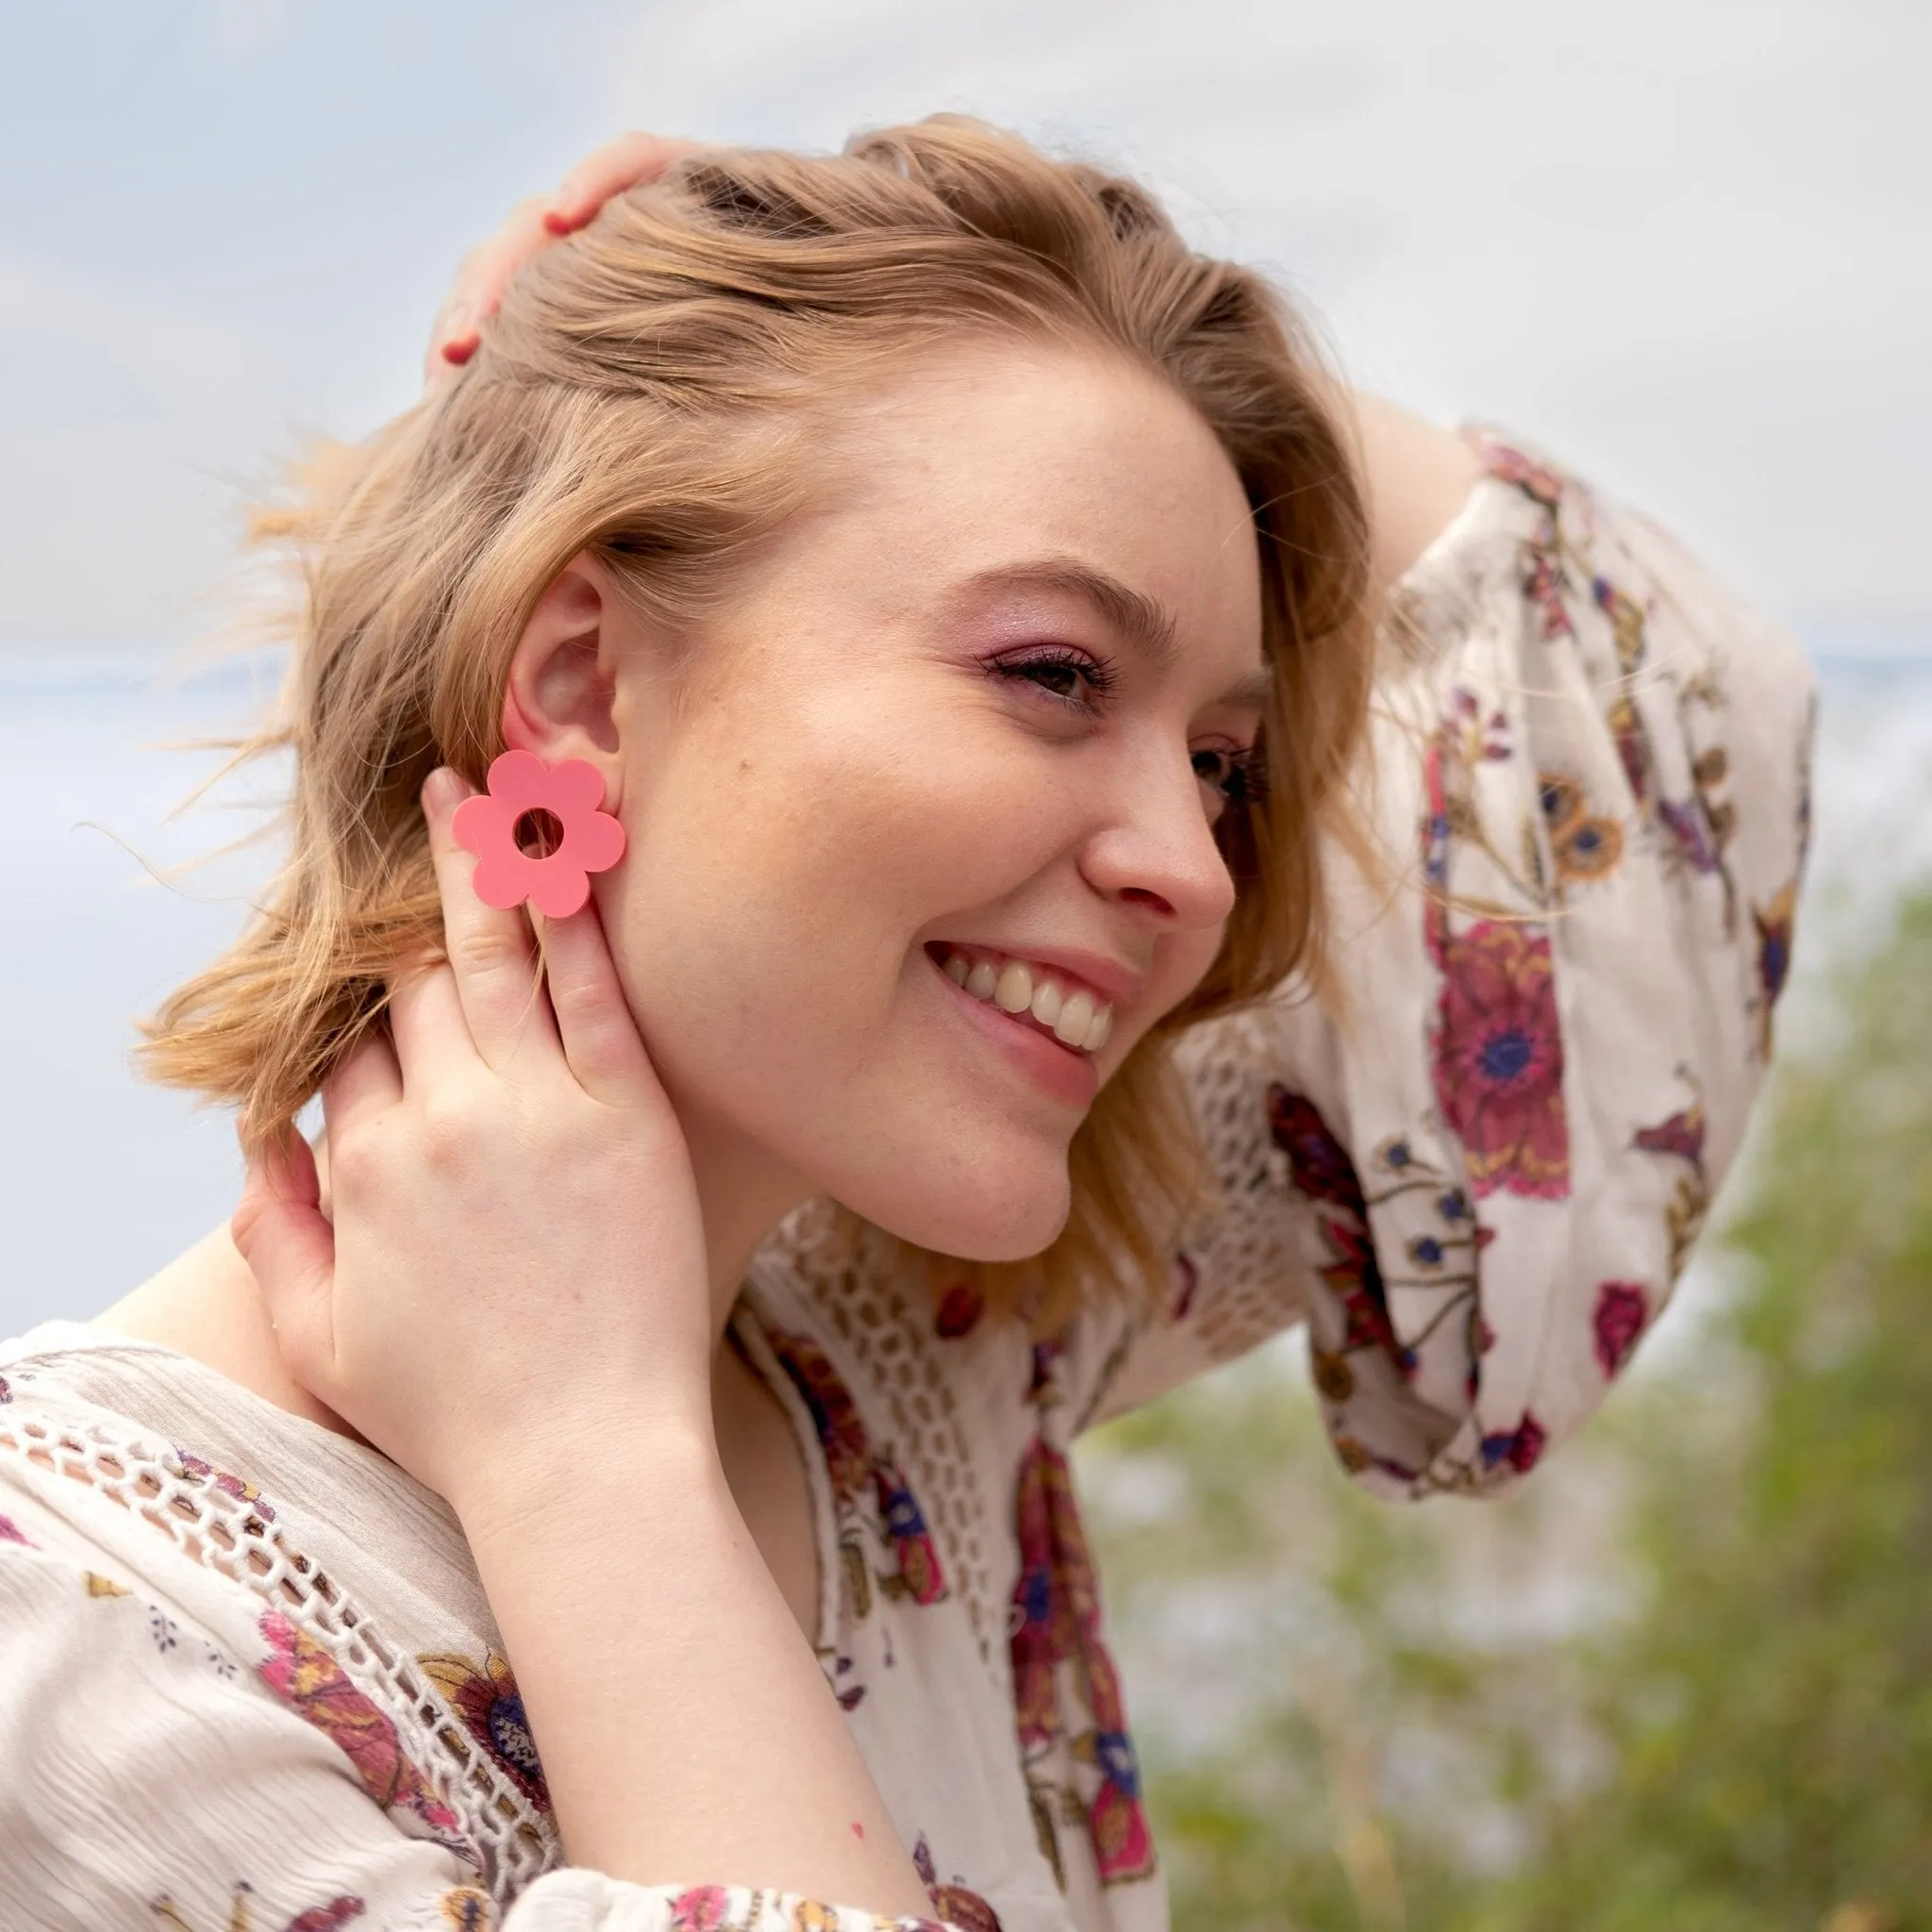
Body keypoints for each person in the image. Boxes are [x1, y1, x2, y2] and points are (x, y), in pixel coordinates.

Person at [0, 121, 1813, 1932]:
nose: (1191, 862)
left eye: (1220, 762)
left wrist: (1072, 295)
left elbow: (1658, 793)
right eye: (1052, 675)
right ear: (574, 683)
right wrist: (588, 1462)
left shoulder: (896, 1343)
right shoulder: (74, 1667)